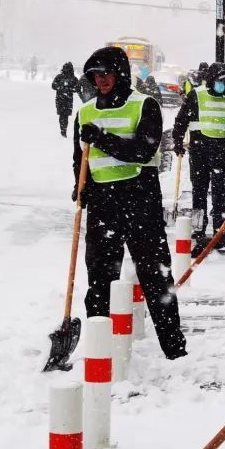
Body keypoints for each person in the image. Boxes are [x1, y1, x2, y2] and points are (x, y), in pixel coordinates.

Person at [73, 46, 186, 359]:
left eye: (106, 74)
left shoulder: (144, 105)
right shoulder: (85, 112)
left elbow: (143, 150)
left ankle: (173, 347)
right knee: (100, 276)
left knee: (154, 274)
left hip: (140, 198)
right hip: (102, 202)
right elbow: (79, 158)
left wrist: (103, 139)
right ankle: (100, 346)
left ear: (120, 73)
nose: (101, 81)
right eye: (95, 76)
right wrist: (79, 187)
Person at [172, 62, 225, 253]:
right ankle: (198, 228)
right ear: (211, 81)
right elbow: (182, 118)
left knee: (221, 192)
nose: (224, 86)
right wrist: (178, 140)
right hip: (200, 149)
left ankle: (220, 228)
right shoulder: (197, 94)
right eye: (220, 82)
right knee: (199, 191)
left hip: (222, 150)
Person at [52, 62, 81, 138]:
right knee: (63, 116)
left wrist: (69, 89)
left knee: (64, 116)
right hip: (62, 100)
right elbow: (53, 86)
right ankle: (63, 130)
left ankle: (63, 130)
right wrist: (62, 87)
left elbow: (77, 88)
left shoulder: (73, 78)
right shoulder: (60, 77)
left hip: (65, 100)